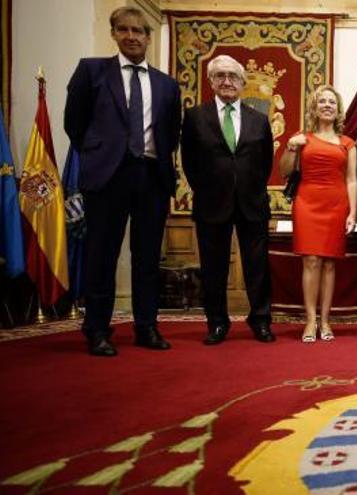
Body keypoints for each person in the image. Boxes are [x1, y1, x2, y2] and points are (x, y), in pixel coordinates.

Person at [64, 7, 181, 357]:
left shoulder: (166, 84)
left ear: (148, 36)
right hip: (107, 176)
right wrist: (101, 153)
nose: (131, 36)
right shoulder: (92, 71)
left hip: (150, 176)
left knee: (146, 257)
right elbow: (75, 123)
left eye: (138, 31)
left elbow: (170, 132)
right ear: (114, 33)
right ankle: (98, 330)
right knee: (102, 254)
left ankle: (147, 326)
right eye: (124, 30)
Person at [180, 55, 275, 346]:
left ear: (243, 82)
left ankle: (260, 321)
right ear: (210, 81)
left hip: (252, 203)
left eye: (233, 76)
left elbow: (265, 162)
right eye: (220, 75)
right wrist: (209, 189)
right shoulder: (195, 117)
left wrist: (250, 188)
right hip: (211, 204)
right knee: (214, 268)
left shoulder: (259, 119)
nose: (227, 81)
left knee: (257, 267)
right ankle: (217, 323)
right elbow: (189, 162)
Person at [280, 85, 357, 343]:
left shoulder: (348, 143)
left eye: (331, 102)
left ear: (338, 110)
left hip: (336, 204)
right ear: (314, 107)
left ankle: (326, 321)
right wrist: (291, 147)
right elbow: (285, 172)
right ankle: (310, 320)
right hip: (307, 203)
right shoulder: (302, 138)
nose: (327, 105)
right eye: (322, 101)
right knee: (311, 260)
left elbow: (352, 181)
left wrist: (353, 213)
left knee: (329, 262)